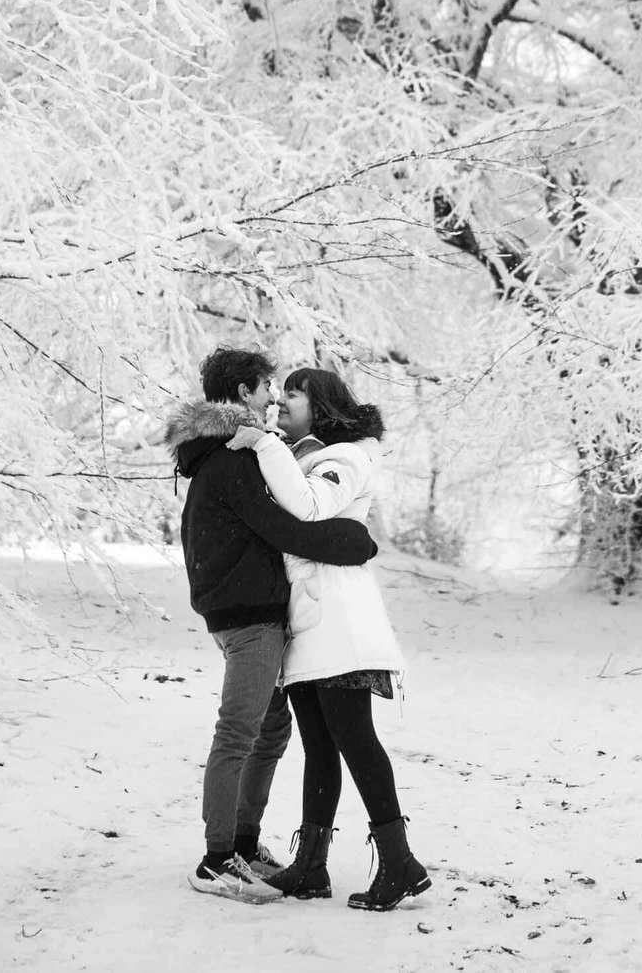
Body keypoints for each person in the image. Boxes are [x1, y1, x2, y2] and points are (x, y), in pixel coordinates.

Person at [164, 347, 382, 905]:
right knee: (240, 730)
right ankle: (218, 859)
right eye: (267, 387)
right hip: (249, 616)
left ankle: (244, 841)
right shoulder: (234, 458)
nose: (274, 398)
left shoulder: (228, 452)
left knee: (271, 731)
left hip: (248, 609)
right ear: (243, 394)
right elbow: (287, 529)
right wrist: (355, 542)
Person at [226, 367, 432, 911]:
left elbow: (311, 508)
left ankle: (399, 861)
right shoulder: (296, 458)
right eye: (282, 392)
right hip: (308, 627)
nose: (282, 401)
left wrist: (266, 445)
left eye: (294, 393)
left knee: (354, 738)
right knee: (319, 746)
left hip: (341, 623)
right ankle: (312, 866)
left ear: (322, 405)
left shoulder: (344, 459)